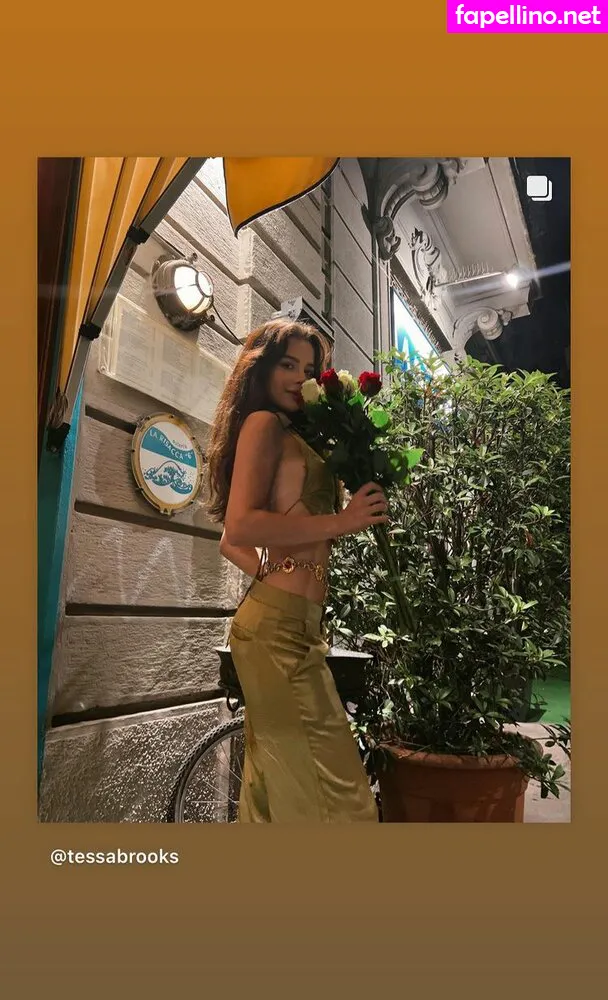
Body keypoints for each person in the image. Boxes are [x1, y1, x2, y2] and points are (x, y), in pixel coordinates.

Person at [206, 319, 389, 823]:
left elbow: (231, 544)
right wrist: (342, 521)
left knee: (273, 790)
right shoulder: (262, 424)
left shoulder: (298, 435)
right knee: (340, 799)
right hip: (275, 633)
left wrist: (277, 569)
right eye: (287, 364)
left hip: (297, 626)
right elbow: (239, 527)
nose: (298, 378)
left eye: (308, 370)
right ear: (262, 367)